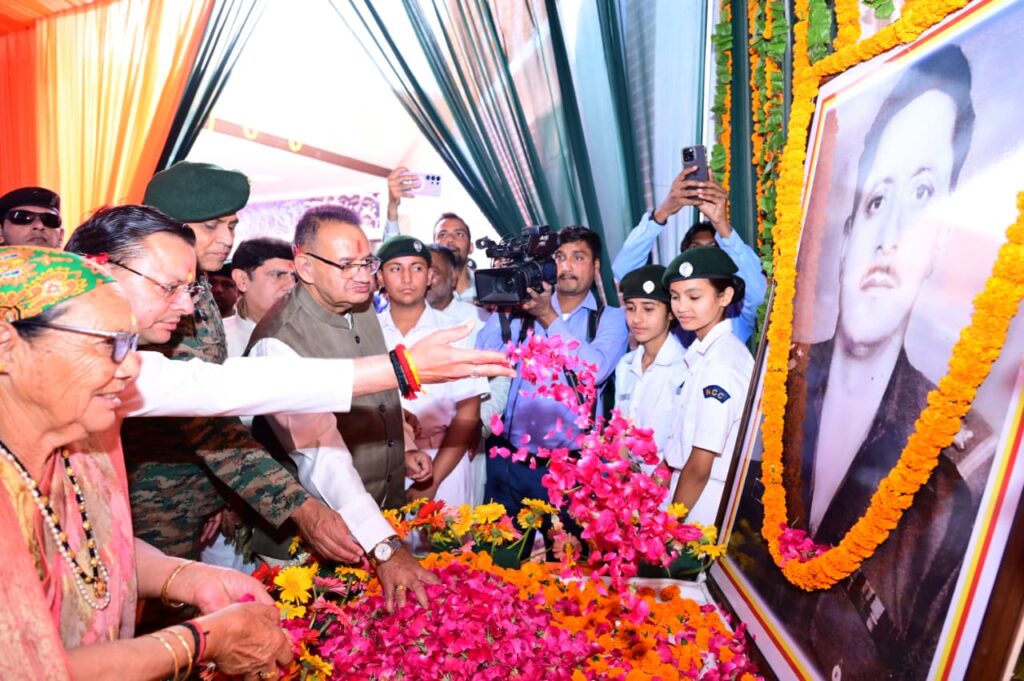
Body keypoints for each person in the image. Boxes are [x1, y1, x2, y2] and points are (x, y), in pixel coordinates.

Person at [735, 45, 995, 680]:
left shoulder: (947, 493)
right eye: (877, 200)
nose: (891, 235)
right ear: (848, 232)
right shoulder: (779, 394)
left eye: (923, 196)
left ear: (939, 242)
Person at [0, 247, 291, 680]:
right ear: (6, 347)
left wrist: (189, 577)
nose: (131, 368)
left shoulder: (84, 445)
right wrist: (202, 641)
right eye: (109, 344)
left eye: (131, 344)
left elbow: (92, 547)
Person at [248, 205, 441, 611]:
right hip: (311, 549)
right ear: (305, 266)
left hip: (378, 524)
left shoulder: (360, 304)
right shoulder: (279, 341)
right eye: (346, 264)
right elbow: (321, 456)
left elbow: (378, 393)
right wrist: (383, 547)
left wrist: (403, 445)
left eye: (367, 262)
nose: (363, 275)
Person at [476, 226, 628, 547]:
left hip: (570, 473)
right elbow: (484, 352)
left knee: (566, 566)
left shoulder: (609, 318)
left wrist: (548, 316)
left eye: (578, 257)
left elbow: (595, 372)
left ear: (596, 267)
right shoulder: (523, 311)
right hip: (508, 463)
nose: (567, 266)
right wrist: (506, 303)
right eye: (560, 256)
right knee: (496, 559)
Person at [377, 235, 488, 505]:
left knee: (449, 533)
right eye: (395, 268)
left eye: (416, 268)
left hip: (445, 462)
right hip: (382, 464)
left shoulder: (454, 331)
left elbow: (468, 413)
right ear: (380, 277)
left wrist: (434, 479)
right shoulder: (367, 332)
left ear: (429, 276)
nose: (406, 278)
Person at [611, 173, 766, 345]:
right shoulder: (673, 299)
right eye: (694, 248)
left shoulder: (734, 309)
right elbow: (624, 272)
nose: (703, 256)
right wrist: (663, 212)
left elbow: (758, 294)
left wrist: (721, 224)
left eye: (713, 248)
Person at [661, 247, 753, 524]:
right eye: (675, 297)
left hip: (703, 501)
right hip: (687, 491)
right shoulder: (703, 354)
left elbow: (700, 465)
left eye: (694, 297)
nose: (681, 307)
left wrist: (668, 529)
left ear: (725, 296)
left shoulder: (720, 363)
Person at [613, 265, 686, 506]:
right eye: (630, 308)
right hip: (628, 492)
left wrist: (646, 498)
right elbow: (620, 433)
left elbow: (681, 446)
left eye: (648, 309)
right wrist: (617, 492)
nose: (637, 318)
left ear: (671, 313)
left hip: (667, 495)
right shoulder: (625, 365)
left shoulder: (684, 368)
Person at [384, 166, 479, 302]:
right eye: (442, 235)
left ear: (471, 247)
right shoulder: (419, 290)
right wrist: (392, 207)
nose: (450, 239)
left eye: (459, 234)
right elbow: (393, 257)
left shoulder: (487, 290)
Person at [223, 237, 296, 358]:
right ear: (242, 280)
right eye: (277, 275)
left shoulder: (311, 335)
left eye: (294, 277)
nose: (291, 285)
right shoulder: (214, 342)